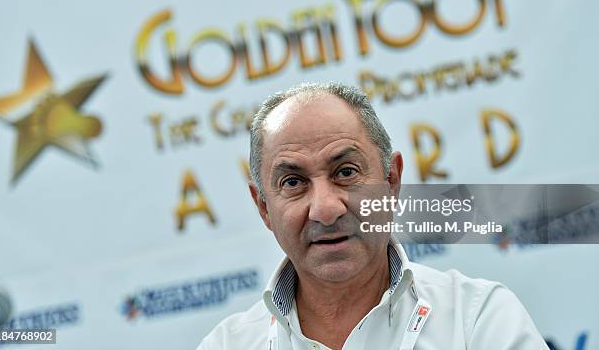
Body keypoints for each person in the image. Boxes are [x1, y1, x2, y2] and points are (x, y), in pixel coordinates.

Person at [198, 82, 547, 350]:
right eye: (293, 182)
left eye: (346, 172)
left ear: (391, 181)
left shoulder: (477, 319)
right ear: (264, 208)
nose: (325, 208)